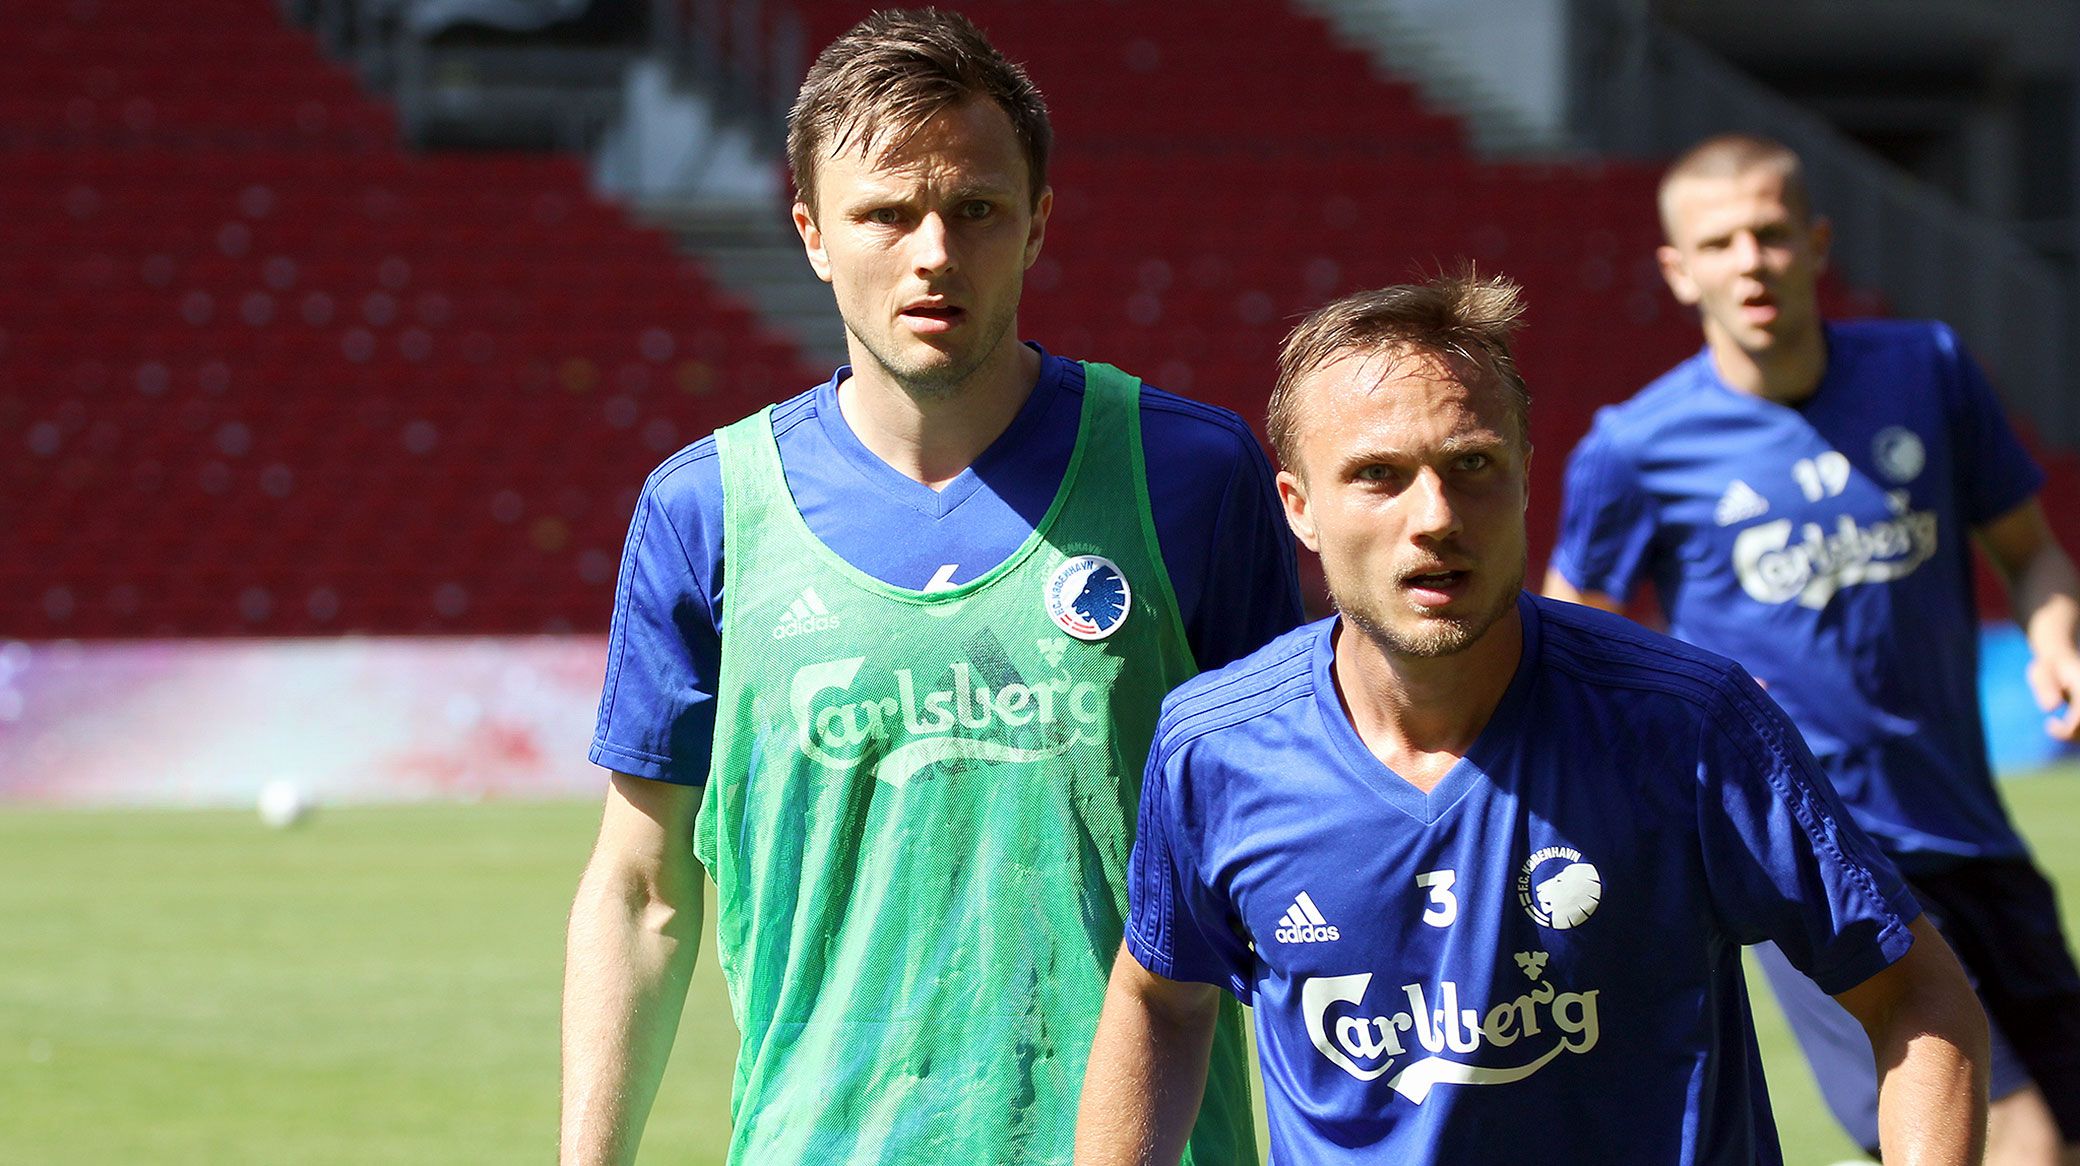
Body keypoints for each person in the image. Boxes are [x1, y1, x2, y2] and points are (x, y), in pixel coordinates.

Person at [558, 10, 1298, 1166]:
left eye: (975, 209)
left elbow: (1295, 845)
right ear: (810, 230)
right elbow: (642, 890)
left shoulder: (1190, 476)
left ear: (1038, 224)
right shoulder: (704, 510)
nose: (933, 252)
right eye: (887, 214)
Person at [1075, 272, 1988, 1164]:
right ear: (1300, 510)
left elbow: (1916, 996)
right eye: (1378, 477)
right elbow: (1160, 997)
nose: (1434, 517)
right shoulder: (1214, 748)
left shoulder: (1689, 725)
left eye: (1471, 465)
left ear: (1523, 481)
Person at [1545, 132, 2080, 1164]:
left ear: (1816, 242)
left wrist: (2058, 629)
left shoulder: (1926, 370)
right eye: (1720, 241)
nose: (1749, 259)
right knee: (2013, 1135)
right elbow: (1575, 642)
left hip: (1969, 828)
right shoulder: (1635, 443)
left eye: (1771, 232)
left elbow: (2033, 553)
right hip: (1808, 849)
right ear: (1677, 268)